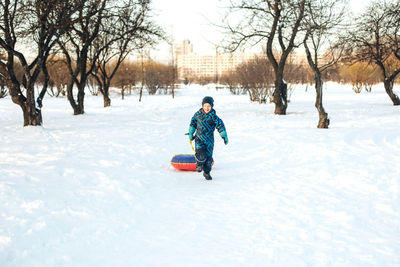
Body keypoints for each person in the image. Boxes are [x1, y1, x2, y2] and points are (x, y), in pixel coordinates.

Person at [188, 96, 228, 180]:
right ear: (202, 105)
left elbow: (220, 125)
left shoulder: (213, 117)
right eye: (205, 105)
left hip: (209, 141)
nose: (207, 108)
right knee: (201, 154)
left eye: (209, 106)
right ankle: (199, 164)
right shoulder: (198, 115)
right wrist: (191, 132)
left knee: (209, 159)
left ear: (212, 106)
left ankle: (206, 172)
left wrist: (223, 136)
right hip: (199, 139)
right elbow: (193, 123)